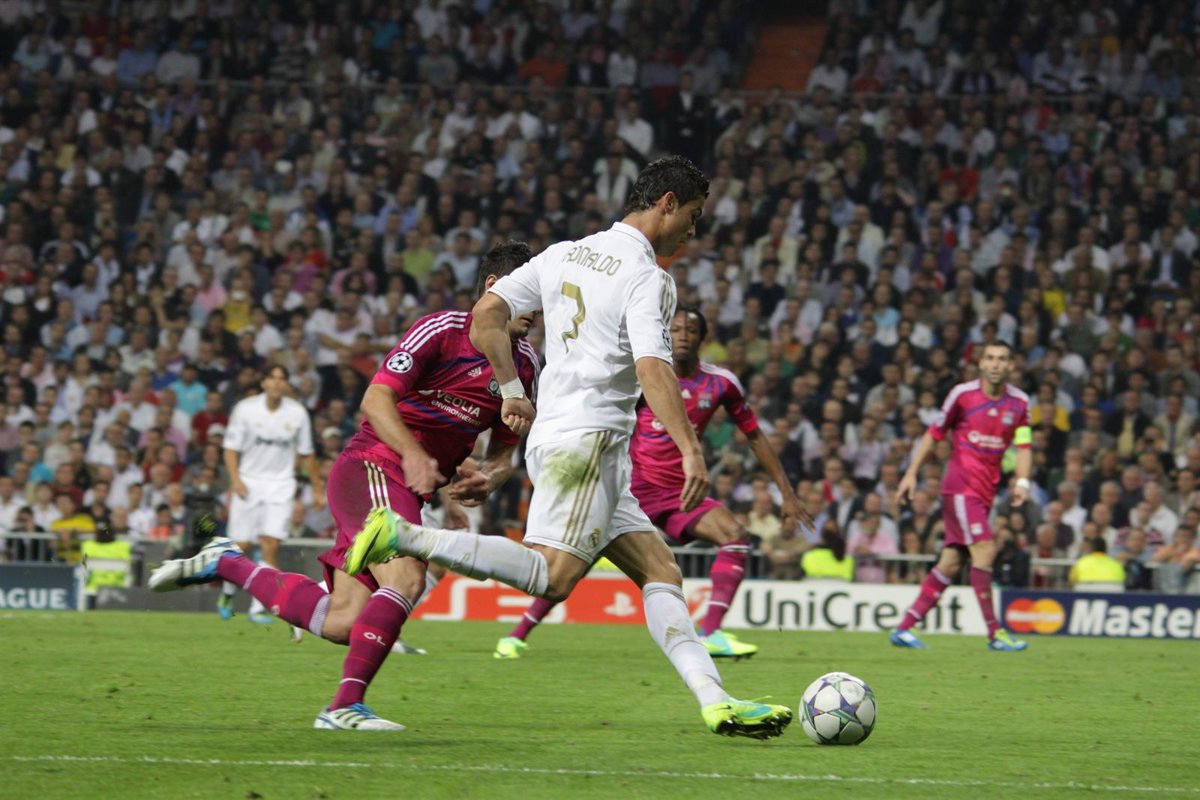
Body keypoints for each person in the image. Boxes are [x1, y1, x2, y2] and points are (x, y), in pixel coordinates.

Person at [342, 155, 793, 739]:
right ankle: (405, 536)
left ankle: (716, 700)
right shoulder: (649, 277)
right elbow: (652, 366)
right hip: (593, 439)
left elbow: (485, 315)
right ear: (667, 204)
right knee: (551, 579)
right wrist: (690, 447)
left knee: (660, 569)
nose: (693, 230)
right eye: (694, 214)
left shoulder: (563, 253)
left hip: (565, 437)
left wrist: (511, 389)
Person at [149, 243, 541, 731]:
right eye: (531, 295)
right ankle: (343, 707)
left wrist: (490, 477)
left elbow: (503, 452)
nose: (538, 309)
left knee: (342, 622)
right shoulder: (442, 332)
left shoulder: (525, 366)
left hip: (410, 489)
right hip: (371, 466)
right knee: (407, 579)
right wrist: (414, 453)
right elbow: (375, 399)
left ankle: (226, 561)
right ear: (495, 289)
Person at [493, 307, 809, 660]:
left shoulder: (721, 383)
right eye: (676, 329)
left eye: (691, 330)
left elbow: (754, 435)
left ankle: (711, 634)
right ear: (666, 335)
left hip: (681, 493)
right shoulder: (646, 374)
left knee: (735, 535)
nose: (683, 336)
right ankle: (517, 635)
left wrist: (787, 493)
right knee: (578, 560)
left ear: (703, 338)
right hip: (632, 489)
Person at [891, 341, 1033, 651]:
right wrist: (911, 472)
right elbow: (934, 434)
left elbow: (1024, 446)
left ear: (1011, 365)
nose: (995, 364)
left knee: (952, 562)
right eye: (990, 358)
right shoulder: (963, 395)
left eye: (1002, 359)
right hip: (960, 487)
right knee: (985, 548)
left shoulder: (1020, 403)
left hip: (985, 492)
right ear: (981, 363)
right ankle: (995, 632)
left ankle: (905, 627)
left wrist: (1022, 481)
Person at [218, 364, 319, 641]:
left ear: (286, 385)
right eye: (271, 378)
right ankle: (227, 593)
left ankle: (258, 607)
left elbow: (307, 452)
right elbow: (230, 449)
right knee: (240, 547)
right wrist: (236, 480)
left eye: (281, 379)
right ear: (263, 382)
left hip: (281, 485)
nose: (276, 383)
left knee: (271, 545)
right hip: (248, 482)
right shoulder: (245, 409)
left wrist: (317, 487)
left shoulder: (297, 413)